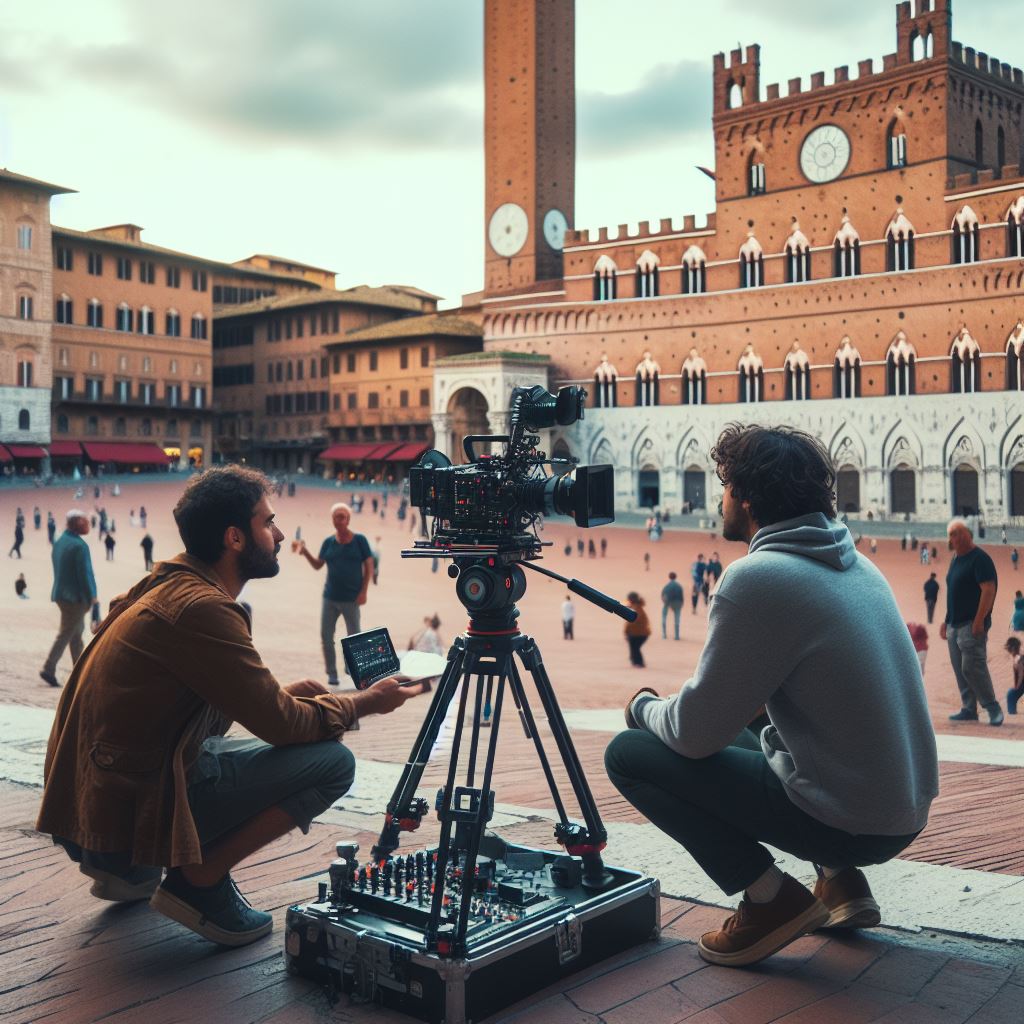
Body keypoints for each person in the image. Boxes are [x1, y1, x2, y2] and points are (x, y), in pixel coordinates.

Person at [35, 466, 426, 947]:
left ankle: (135, 869)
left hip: (89, 806)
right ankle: (197, 882)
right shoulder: (203, 609)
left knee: (250, 740)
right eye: (269, 522)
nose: (281, 534)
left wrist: (280, 692)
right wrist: (365, 702)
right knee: (332, 763)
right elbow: (284, 727)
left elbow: (201, 701)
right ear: (235, 538)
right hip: (113, 819)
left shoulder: (165, 584)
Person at [606, 423, 937, 968]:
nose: (720, 500)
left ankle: (770, 900)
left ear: (746, 496)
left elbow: (694, 734)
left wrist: (642, 707)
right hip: (903, 809)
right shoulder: (859, 562)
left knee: (630, 754)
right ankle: (841, 884)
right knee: (752, 726)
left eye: (724, 486)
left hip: (852, 821)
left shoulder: (758, 578)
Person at [296, 503, 374, 686]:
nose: (338, 520)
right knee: (326, 636)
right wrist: (305, 551)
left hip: (352, 598)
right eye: (335, 517)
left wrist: (364, 592)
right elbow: (318, 565)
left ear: (348, 519)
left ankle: (352, 669)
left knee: (354, 637)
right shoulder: (328, 542)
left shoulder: (359, 540)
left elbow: (369, 566)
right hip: (330, 597)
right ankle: (332, 673)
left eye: (342, 516)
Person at [942, 518, 1003, 726]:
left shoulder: (980, 559)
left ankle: (992, 707)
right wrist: (946, 620)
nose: (954, 538)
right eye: (951, 534)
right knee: (960, 669)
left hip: (971, 624)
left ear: (969, 534)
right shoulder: (955, 559)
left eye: (957, 533)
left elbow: (989, 590)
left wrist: (980, 620)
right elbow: (953, 591)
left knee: (972, 666)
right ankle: (969, 708)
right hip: (954, 624)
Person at [40, 510, 100, 688]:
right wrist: (93, 598)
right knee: (67, 633)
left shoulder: (60, 541)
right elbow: (85, 575)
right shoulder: (80, 546)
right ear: (76, 523)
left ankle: (80, 673)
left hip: (61, 594)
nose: (88, 524)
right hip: (75, 599)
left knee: (76, 633)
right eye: (85, 521)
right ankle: (48, 668)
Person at [624, 592, 650, 667]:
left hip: (639, 633)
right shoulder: (636, 607)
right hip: (639, 633)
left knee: (635, 647)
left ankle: (639, 662)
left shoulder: (637, 609)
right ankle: (635, 661)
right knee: (634, 647)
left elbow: (632, 622)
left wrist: (626, 631)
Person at [661, 572, 684, 640]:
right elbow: (681, 597)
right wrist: (681, 604)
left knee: (664, 617)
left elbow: (663, 596)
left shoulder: (667, 586)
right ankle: (677, 636)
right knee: (677, 619)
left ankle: (664, 635)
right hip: (678, 602)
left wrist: (665, 603)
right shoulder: (679, 586)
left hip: (668, 602)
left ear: (669, 577)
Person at [1004, 637, 1023, 714]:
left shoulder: (1018, 659)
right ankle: (1012, 711)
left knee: (1011, 694)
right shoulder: (1019, 657)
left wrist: (1017, 686)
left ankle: (1012, 712)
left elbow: (1021, 674)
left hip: (1022, 684)